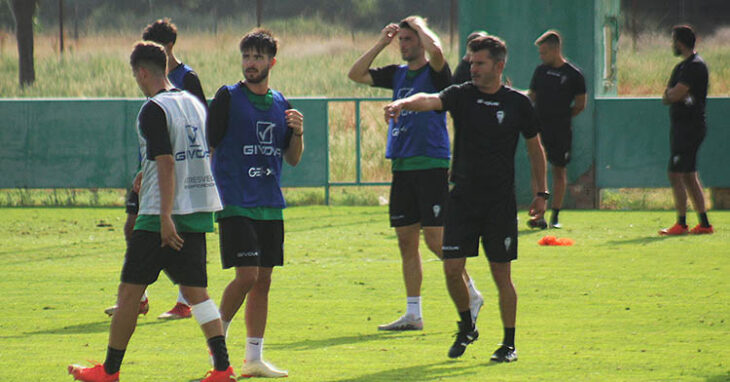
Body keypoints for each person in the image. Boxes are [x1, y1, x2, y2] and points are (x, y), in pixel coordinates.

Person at [69, 41, 235, 382]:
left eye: (135, 74)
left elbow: (166, 160)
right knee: (196, 292)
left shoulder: (153, 108)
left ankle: (110, 372)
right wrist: (148, 173)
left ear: (142, 72)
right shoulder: (192, 103)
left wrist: (163, 218)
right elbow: (187, 154)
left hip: (162, 214)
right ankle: (223, 368)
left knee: (130, 291)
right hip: (197, 208)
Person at [383, 35, 549, 362]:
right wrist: (402, 104)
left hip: (499, 203)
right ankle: (466, 323)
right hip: (461, 199)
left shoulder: (518, 104)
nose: (472, 68)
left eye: (480, 63)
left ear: (499, 66)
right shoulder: (462, 95)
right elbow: (429, 100)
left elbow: (535, 149)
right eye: (471, 62)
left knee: (502, 276)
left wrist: (541, 193)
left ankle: (508, 344)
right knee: (451, 268)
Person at [348, 16, 483, 331]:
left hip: (430, 163)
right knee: (406, 242)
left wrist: (419, 25)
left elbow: (436, 50)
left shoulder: (436, 73)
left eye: (410, 39)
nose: (404, 45)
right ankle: (413, 314)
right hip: (403, 165)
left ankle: (472, 293)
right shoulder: (396, 74)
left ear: (420, 41)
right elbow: (355, 73)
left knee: (436, 241)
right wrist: (381, 42)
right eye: (402, 40)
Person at [207, 28, 303, 378]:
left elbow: (292, 159)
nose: (250, 63)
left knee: (263, 281)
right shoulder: (228, 97)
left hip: (269, 203)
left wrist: (298, 132)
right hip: (235, 201)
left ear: (271, 62)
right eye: (246, 56)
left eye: (258, 57)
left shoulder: (282, 104)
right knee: (246, 276)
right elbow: (211, 146)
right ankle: (217, 344)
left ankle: (254, 359)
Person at [106, 18, 209, 320]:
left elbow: (200, 127)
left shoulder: (186, 78)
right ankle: (141, 297)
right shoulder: (150, 78)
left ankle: (183, 299)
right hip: (151, 168)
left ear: (170, 47)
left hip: (175, 171)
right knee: (133, 227)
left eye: (159, 46)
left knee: (169, 234)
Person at [526, 30, 586, 229]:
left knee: (559, 170)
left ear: (555, 50)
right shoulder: (540, 71)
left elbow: (580, 104)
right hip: (538, 128)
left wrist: (562, 117)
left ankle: (556, 216)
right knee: (537, 170)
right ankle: (539, 215)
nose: (541, 57)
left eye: (544, 53)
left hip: (560, 130)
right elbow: (531, 97)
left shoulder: (574, 75)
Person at [659, 25, 713, 235]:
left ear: (680, 42)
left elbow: (674, 94)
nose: (672, 45)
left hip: (690, 128)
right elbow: (668, 95)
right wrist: (672, 94)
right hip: (681, 126)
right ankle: (704, 223)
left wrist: (672, 94)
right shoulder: (681, 67)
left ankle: (681, 223)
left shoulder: (695, 66)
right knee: (689, 175)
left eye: (674, 40)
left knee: (675, 173)